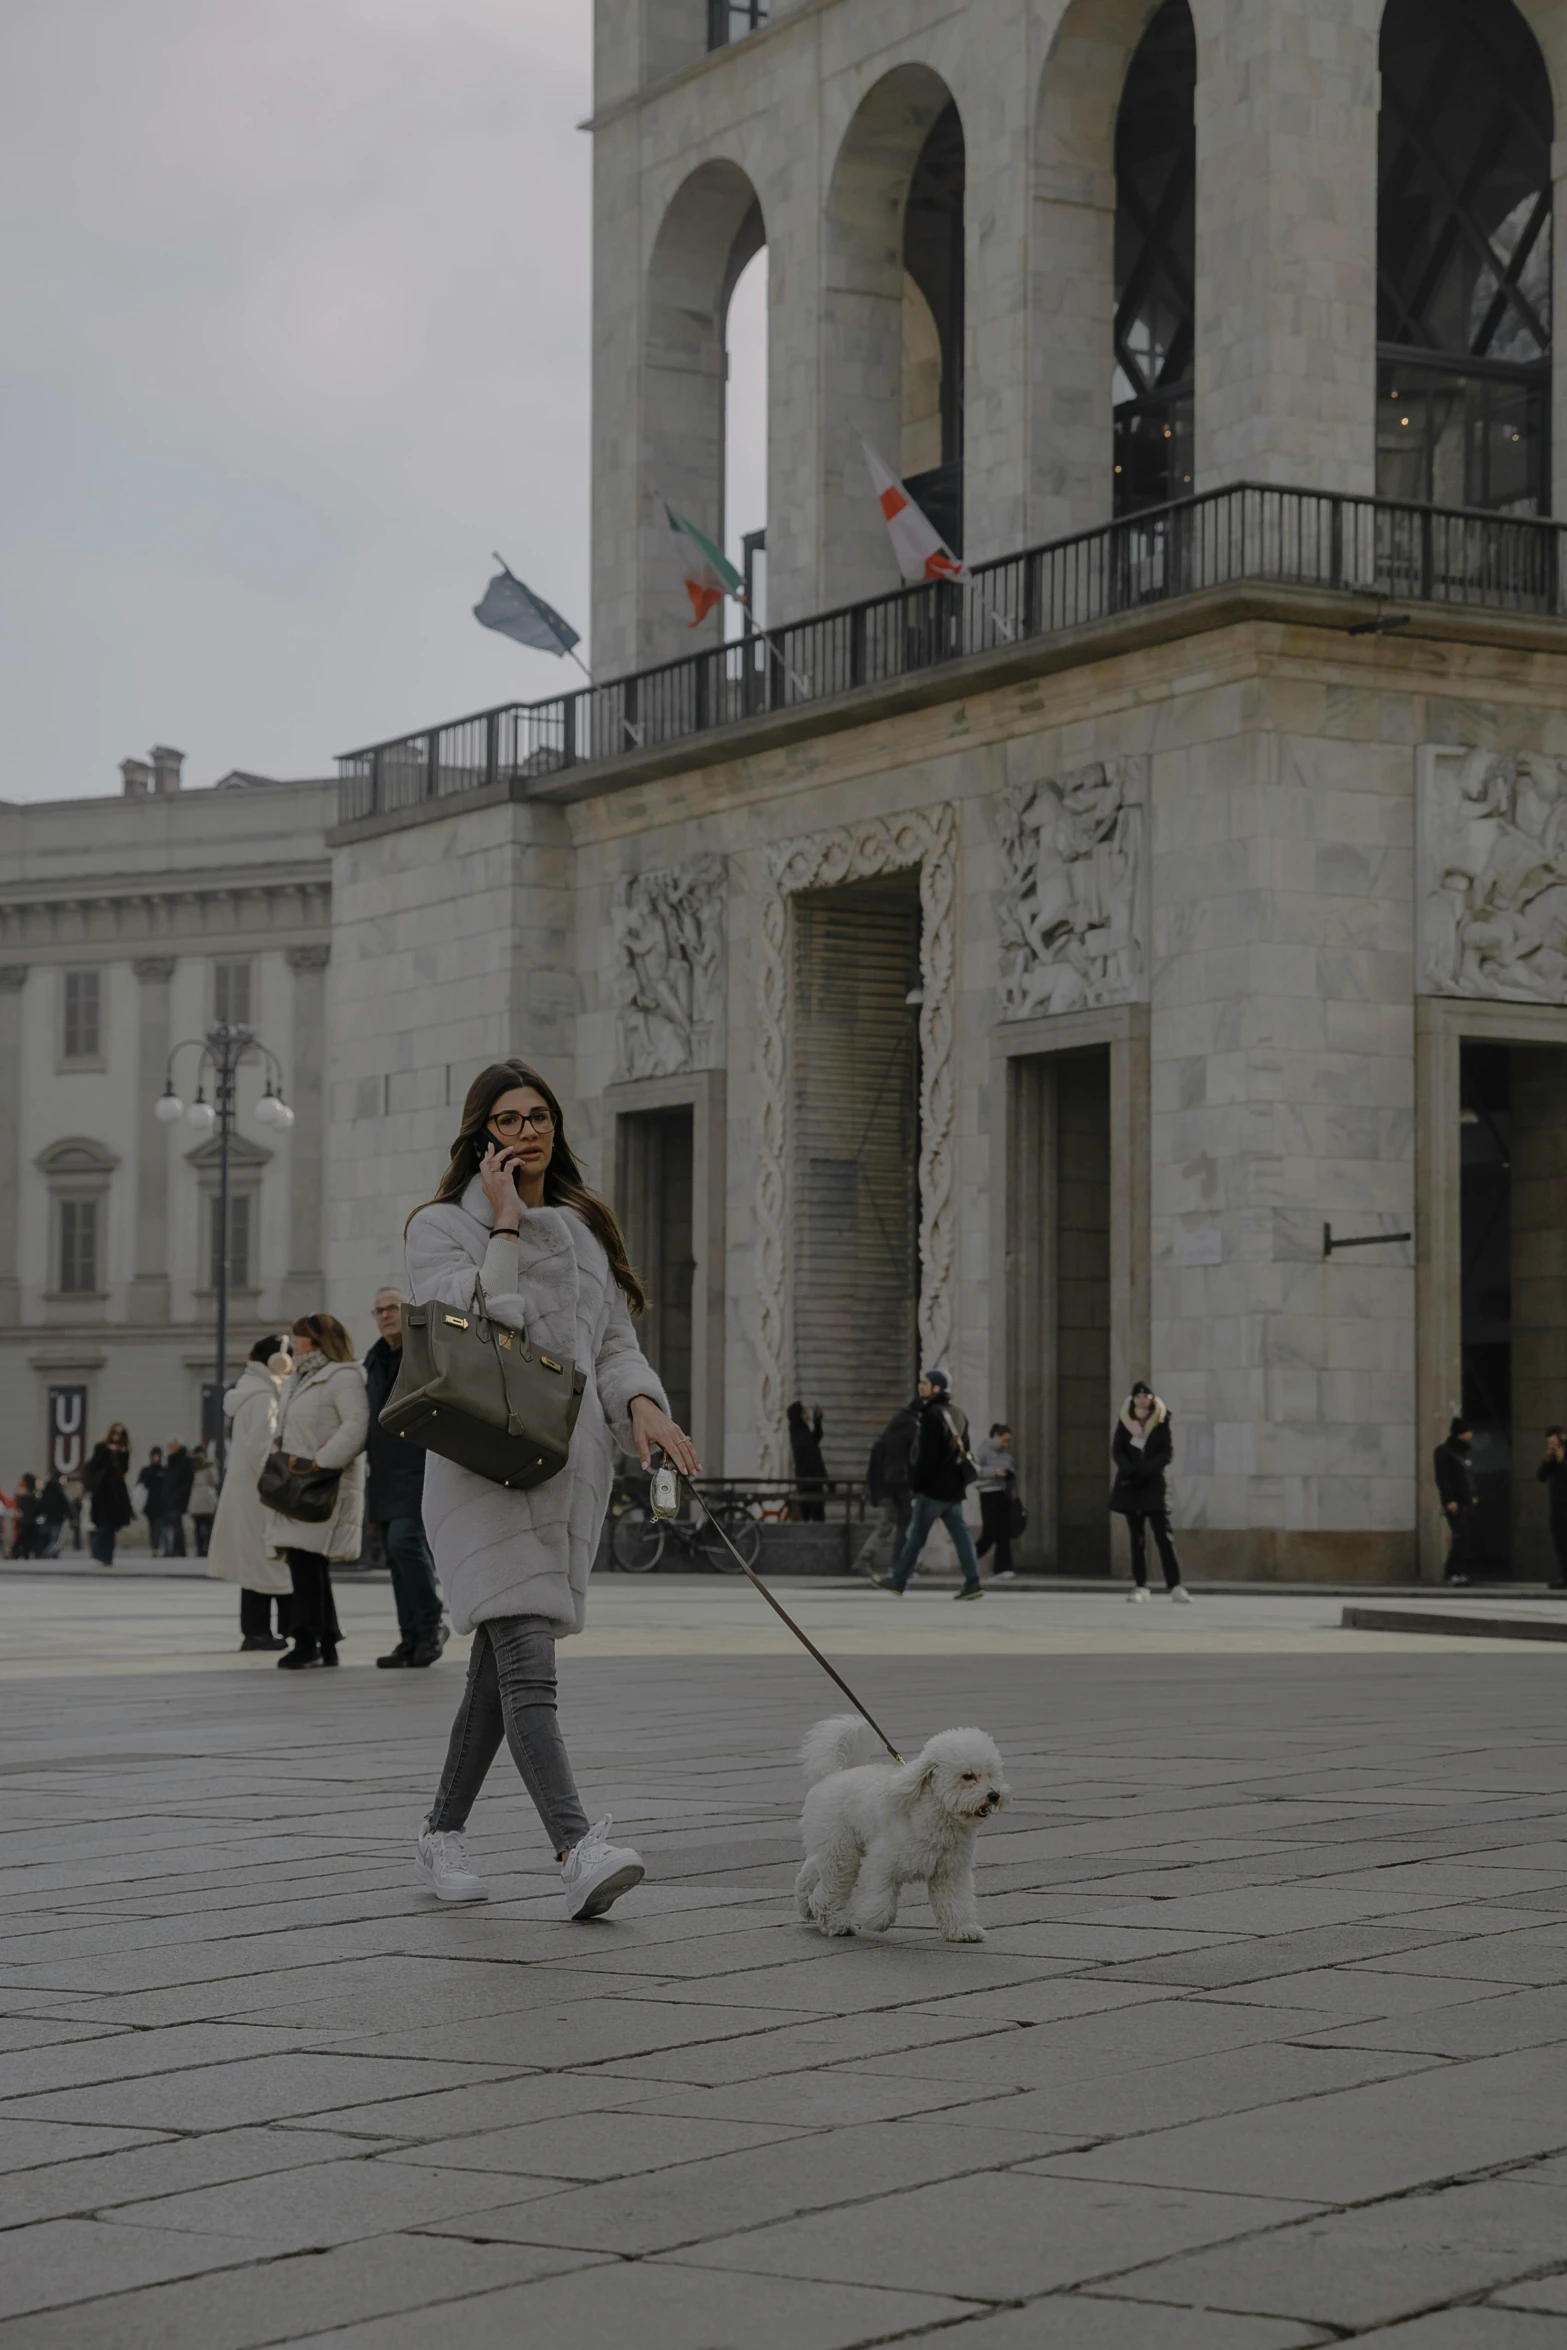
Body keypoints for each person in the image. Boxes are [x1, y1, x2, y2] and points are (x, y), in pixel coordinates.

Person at [405, 1058, 696, 1918]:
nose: (526, 1131)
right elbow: (476, 1320)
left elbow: (614, 1347)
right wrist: (503, 1224)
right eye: (507, 1119)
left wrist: (645, 1408)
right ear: (479, 1134)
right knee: (528, 1661)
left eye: (538, 1117)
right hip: (481, 1466)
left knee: (498, 1673)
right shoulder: (439, 1227)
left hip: (567, 1469)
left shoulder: (584, 1228)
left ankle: (440, 1833)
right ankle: (575, 1847)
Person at [262, 1315, 369, 1670]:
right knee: (307, 1562)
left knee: (307, 1562)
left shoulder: (342, 1376)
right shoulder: (300, 1377)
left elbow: (358, 1422)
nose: (294, 1342)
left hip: (321, 1483)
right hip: (297, 1480)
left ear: (318, 1341)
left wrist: (323, 1462)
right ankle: (325, 1640)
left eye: (301, 1336)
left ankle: (307, 1642)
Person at [363, 1287, 448, 1669]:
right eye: (379, 1310)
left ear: (406, 1311)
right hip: (383, 1471)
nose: (385, 1315)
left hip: (418, 1466)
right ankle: (410, 1638)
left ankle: (431, 1625)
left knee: (406, 1543)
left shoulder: (423, 1350)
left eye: (392, 1308)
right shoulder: (374, 1359)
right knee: (395, 1560)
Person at [207, 1337, 294, 1650]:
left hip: (249, 1492)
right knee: (269, 1562)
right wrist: (282, 1485)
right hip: (263, 1492)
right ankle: (259, 1633)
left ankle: (259, 1631)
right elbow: (264, 1448)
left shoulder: (251, 1392)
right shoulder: (263, 1397)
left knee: (256, 1564)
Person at [872, 1368, 984, 1601]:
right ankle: (973, 1582)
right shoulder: (959, 1414)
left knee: (915, 1537)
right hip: (954, 1490)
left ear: (937, 1388)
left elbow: (925, 1458)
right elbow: (965, 1451)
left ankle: (899, 1580)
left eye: (925, 1383)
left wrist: (915, 1485)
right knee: (961, 1536)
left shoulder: (931, 1416)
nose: (920, 1386)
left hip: (932, 1490)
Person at [1111, 1382, 1189, 1602]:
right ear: (1133, 1399)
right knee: (1137, 1539)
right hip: (1131, 1485)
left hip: (1154, 1485)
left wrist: (1146, 1469)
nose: (1142, 1399)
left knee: (1164, 1537)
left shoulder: (1161, 1422)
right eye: (1138, 1395)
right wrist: (1130, 1469)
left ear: (1152, 1399)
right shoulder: (1125, 1422)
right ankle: (1140, 1586)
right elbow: (1118, 1450)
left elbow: (1167, 1453)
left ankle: (1175, 1585)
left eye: (1146, 1395)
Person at [853, 1394, 918, 1577]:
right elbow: (911, 1460)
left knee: (891, 1523)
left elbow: (875, 1464)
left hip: (884, 1486)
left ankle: (870, 1558)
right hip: (897, 1486)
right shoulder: (911, 1430)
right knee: (895, 1524)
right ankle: (869, 1558)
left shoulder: (888, 1433)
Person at [1434, 1416, 1479, 1586]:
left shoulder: (1462, 1453)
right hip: (1454, 1502)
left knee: (1466, 1537)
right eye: (1468, 1432)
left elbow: (1467, 1477)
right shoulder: (1444, 1451)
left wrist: (1473, 1494)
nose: (1471, 1435)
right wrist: (1449, 1499)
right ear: (1461, 1433)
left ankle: (1460, 1571)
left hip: (1466, 1501)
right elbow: (1442, 1478)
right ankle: (1452, 1572)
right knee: (1461, 1535)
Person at [83, 1425, 133, 1565]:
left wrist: (119, 1454)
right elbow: (94, 1466)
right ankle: (99, 1552)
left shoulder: (123, 1451)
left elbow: (124, 1470)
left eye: (120, 1433)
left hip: (116, 1493)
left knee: (111, 1526)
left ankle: (107, 1556)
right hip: (102, 1491)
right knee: (102, 1525)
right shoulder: (101, 1447)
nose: (117, 1436)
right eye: (115, 1432)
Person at [974, 1423, 1017, 1581]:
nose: (1006, 1444)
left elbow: (1011, 1473)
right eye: (1004, 1440)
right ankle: (969, 1558)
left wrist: (1009, 1476)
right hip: (988, 1493)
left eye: (1008, 1441)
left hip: (1003, 1493)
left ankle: (1003, 1568)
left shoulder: (1006, 1456)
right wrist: (994, 1472)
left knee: (1004, 1532)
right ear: (997, 1436)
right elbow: (974, 1470)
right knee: (990, 1531)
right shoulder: (983, 1450)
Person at [787, 1400, 827, 1522]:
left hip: (809, 1481)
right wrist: (825, 1478)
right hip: (810, 1482)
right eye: (804, 1411)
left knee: (810, 1515)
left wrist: (817, 1420)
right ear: (799, 1415)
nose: (807, 1413)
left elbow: (816, 1438)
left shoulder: (800, 1430)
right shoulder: (800, 1433)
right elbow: (813, 1457)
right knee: (815, 1516)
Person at [1538, 1427, 1567, 1590]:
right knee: (1560, 1543)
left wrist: (1562, 1462)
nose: (1551, 1444)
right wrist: (1547, 1459)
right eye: (1548, 1442)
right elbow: (1541, 1476)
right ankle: (1564, 1576)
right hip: (1557, 1506)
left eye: (1553, 1441)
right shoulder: (1553, 1458)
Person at [161, 1440, 195, 1557]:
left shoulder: (184, 1461)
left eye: (171, 1446)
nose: (169, 1449)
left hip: (176, 1498)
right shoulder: (171, 1460)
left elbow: (186, 1481)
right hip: (169, 1498)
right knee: (171, 1526)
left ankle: (179, 1550)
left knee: (176, 1526)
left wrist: (179, 1495)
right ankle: (172, 1550)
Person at [188, 1446, 218, 1559]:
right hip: (208, 1499)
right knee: (209, 1525)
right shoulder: (209, 1467)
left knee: (198, 1526)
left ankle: (199, 1548)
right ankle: (208, 1547)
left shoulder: (192, 1467)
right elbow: (215, 1481)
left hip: (196, 1500)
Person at [135, 1446, 166, 1553]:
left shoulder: (164, 1471)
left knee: (159, 1527)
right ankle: (154, 1546)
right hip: (150, 1504)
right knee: (152, 1527)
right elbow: (140, 1485)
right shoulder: (146, 1471)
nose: (156, 1458)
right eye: (154, 1456)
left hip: (161, 1504)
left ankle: (156, 1546)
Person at [38, 1470, 70, 1559]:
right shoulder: (59, 1489)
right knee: (55, 1537)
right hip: (58, 1517)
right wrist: (71, 1515)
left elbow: (41, 1504)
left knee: (48, 1536)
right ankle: (49, 1552)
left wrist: (40, 1513)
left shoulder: (46, 1489)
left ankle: (51, 1552)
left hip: (47, 1517)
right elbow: (65, 1503)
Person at [11, 1474, 41, 1560]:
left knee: (23, 1538)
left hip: (24, 1520)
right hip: (30, 1520)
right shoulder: (32, 1495)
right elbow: (36, 1508)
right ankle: (20, 1553)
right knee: (27, 1538)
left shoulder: (23, 1494)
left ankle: (18, 1553)